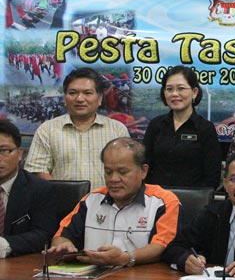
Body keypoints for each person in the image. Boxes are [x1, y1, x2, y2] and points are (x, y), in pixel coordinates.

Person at [48, 137, 180, 267]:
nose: (113, 179)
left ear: (143, 171)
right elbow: (62, 235)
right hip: (92, 279)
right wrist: (62, 245)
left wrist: (126, 258)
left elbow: (162, 246)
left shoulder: (164, 201)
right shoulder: (91, 200)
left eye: (122, 172)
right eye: (108, 172)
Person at [24, 68, 130, 189]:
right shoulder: (47, 130)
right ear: (65, 98)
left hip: (107, 204)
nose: (79, 99)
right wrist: (61, 195)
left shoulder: (117, 130)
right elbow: (37, 170)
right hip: (61, 204)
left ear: (100, 99)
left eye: (87, 93)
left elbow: (126, 170)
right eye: (73, 93)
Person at [143, 66, 222, 188]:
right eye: (169, 89)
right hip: (157, 201)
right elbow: (144, 166)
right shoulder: (156, 125)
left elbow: (212, 177)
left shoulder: (205, 129)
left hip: (193, 203)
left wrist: (198, 201)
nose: (174, 94)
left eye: (181, 88)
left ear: (194, 92)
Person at [0, 120, 58, 258]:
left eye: (4, 151)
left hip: (19, 268)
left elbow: (43, 235)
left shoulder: (40, 189)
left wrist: (4, 245)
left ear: (20, 154)